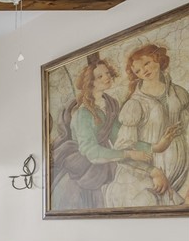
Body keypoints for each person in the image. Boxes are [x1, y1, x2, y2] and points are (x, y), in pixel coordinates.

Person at [50, 55, 149, 210]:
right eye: (99, 76)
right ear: (90, 83)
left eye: (107, 73)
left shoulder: (110, 104)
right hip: (88, 169)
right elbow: (91, 152)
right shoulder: (83, 114)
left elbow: (119, 138)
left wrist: (152, 148)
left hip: (108, 157)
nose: (106, 78)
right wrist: (128, 155)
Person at [105, 43, 189, 208]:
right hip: (145, 180)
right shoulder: (134, 105)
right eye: (137, 70)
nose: (144, 70)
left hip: (180, 176)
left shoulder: (180, 93)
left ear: (158, 59)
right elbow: (122, 150)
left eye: (146, 63)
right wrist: (153, 172)